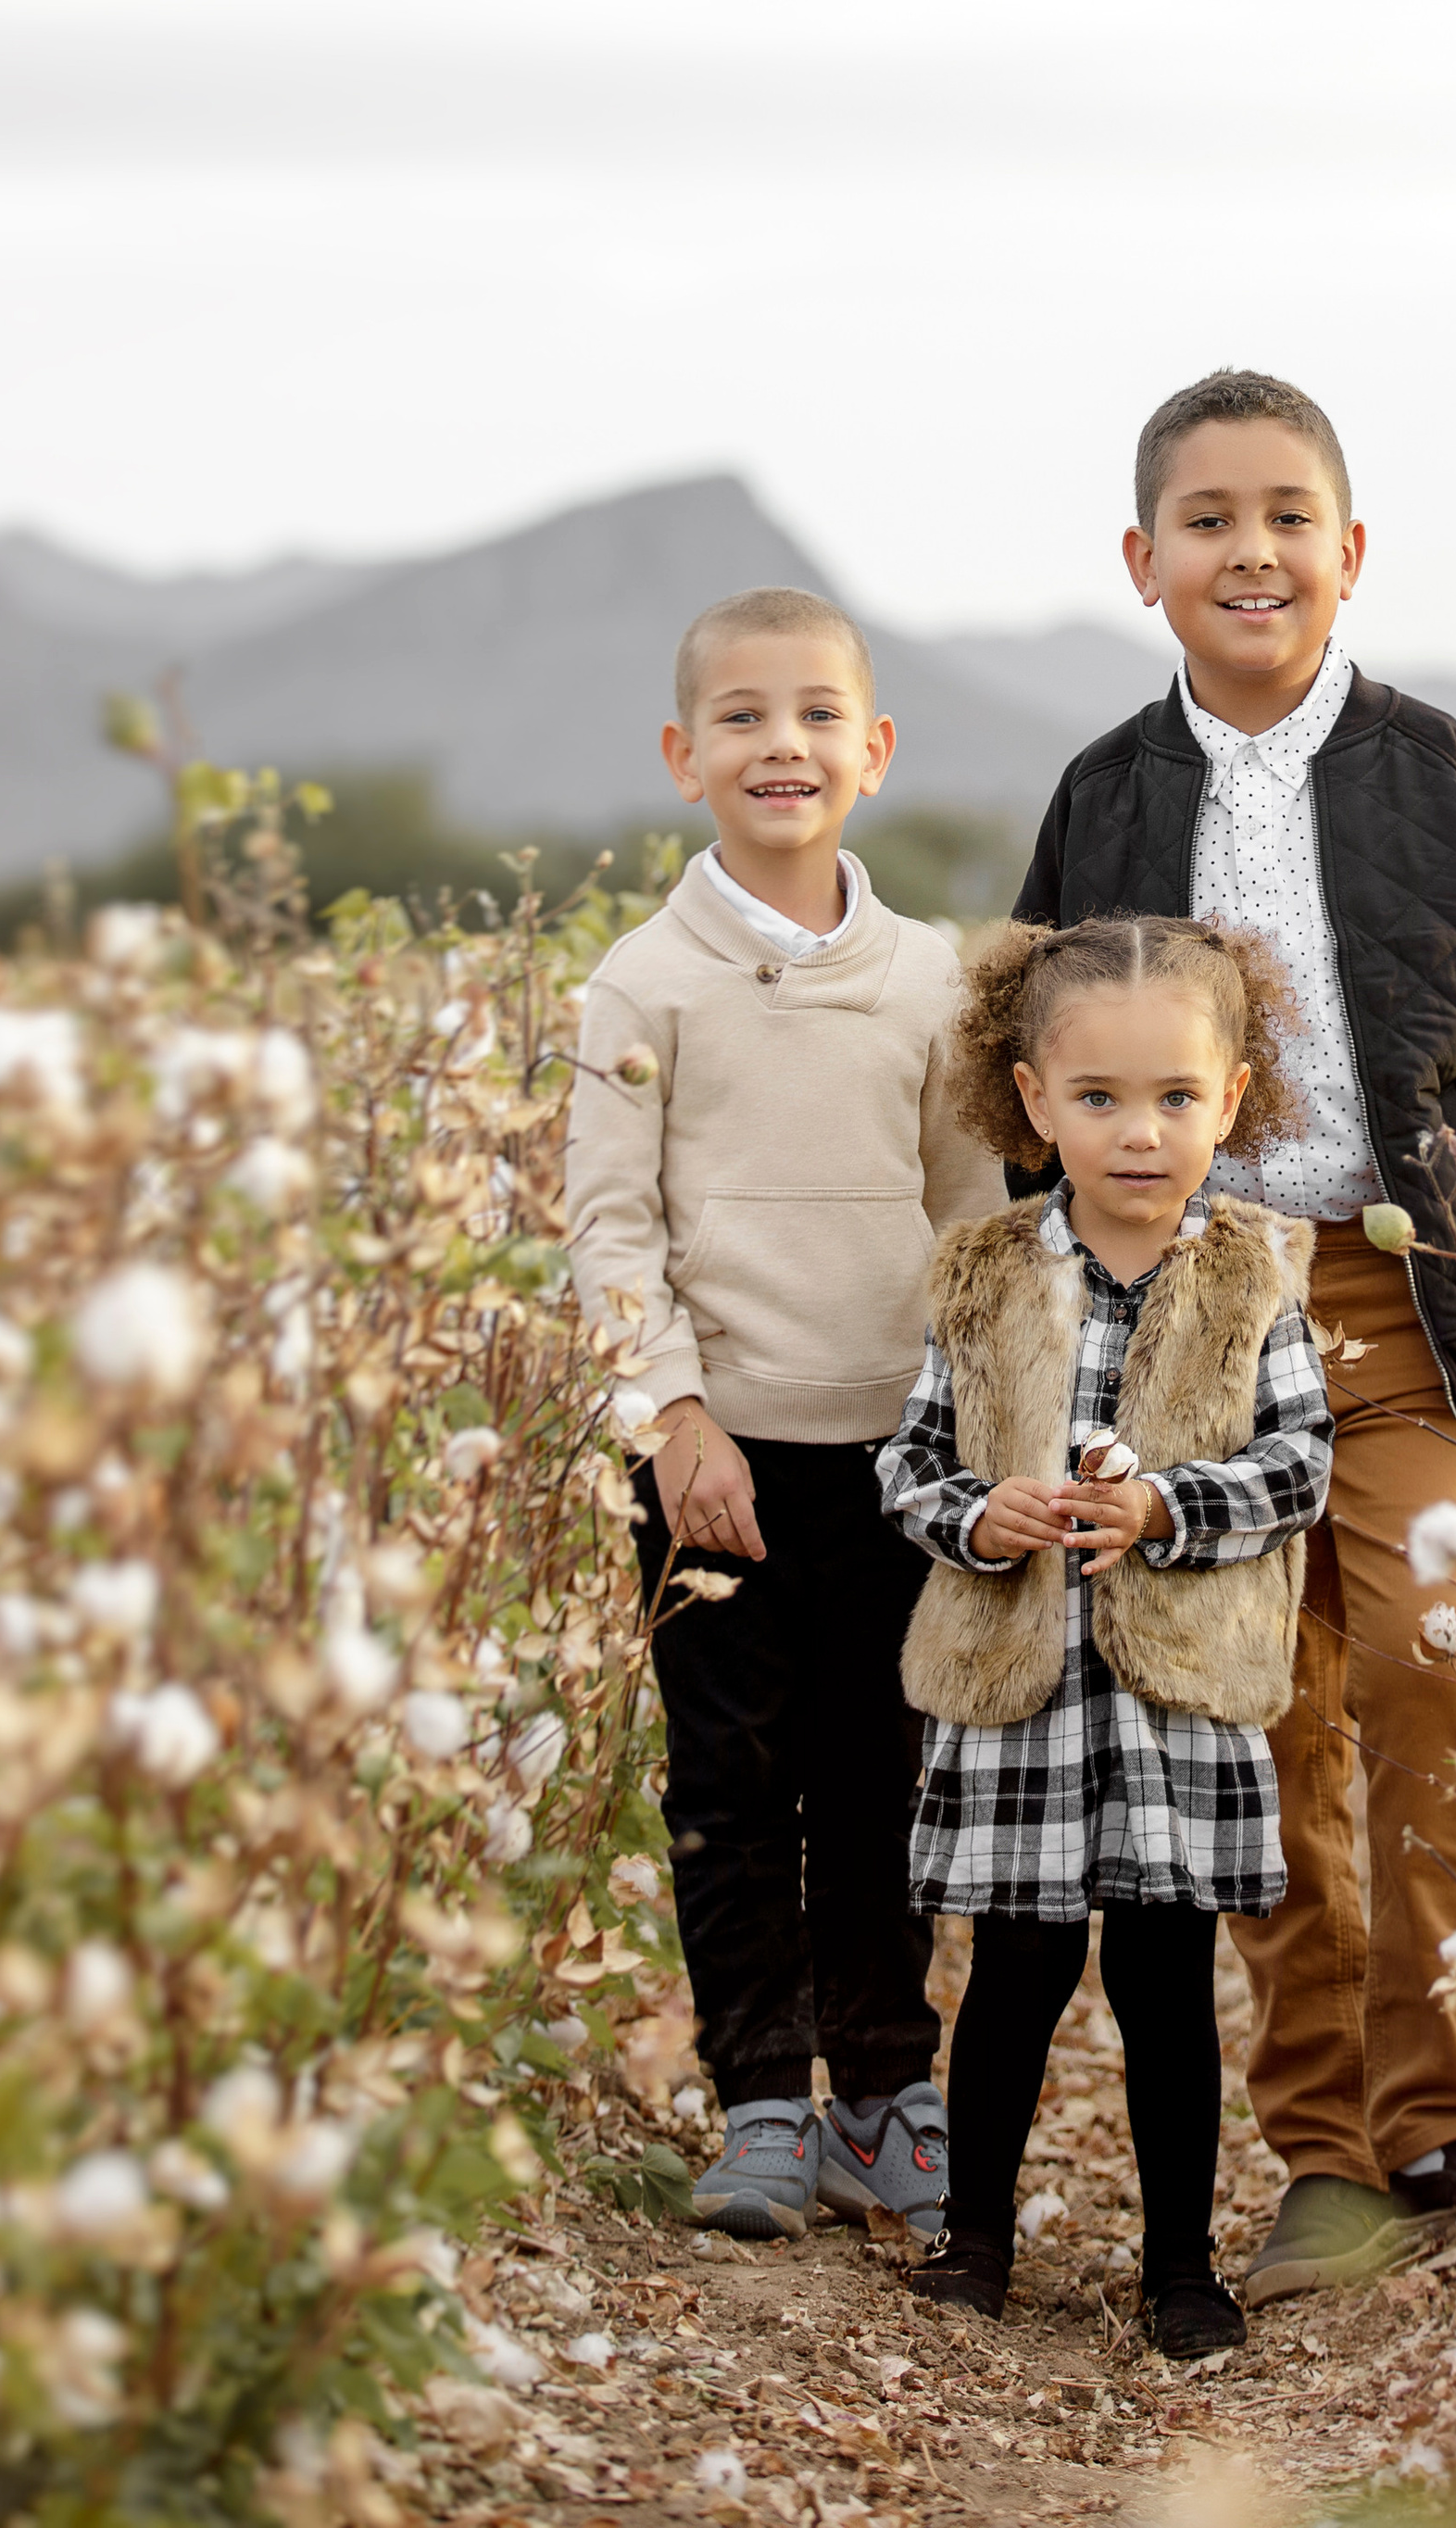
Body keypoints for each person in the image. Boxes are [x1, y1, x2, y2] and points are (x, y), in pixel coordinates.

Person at [1011, 369, 1456, 2304]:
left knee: (1434, 1672)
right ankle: (1326, 2157)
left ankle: (1443, 2105)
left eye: (1285, 515)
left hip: (1409, 1295)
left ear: (1346, 553)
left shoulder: (1431, 767)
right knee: (1256, 1717)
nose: (1247, 550)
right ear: (1142, 563)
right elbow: (1022, 1063)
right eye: (1205, 520)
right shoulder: (1104, 793)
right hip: (1196, 1315)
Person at [566, 585, 1003, 2247]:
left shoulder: (932, 982)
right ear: (685, 756)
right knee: (730, 1789)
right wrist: (673, 1417)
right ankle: (759, 2098)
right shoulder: (644, 982)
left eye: (818, 713)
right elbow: (610, 1227)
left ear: (873, 751)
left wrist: (969, 1431)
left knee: (882, 1780)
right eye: (742, 717)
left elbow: (971, 1222)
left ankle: (886, 2098)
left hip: (891, 1458)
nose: (783, 743)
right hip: (713, 1466)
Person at [878, 916, 1331, 2361]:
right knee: (1009, 1976)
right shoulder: (986, 1271)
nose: (1141, 1134)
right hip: (1020, 1694)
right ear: (1030, 1102)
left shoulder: (1256, 1274)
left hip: (1175, 1697)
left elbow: (1300, 1464)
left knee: (1161, 1980)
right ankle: (980, 2240)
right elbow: (908, 1465)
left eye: (1177, 1099)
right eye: (1098, 1099)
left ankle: (1182, 2267)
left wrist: (1171, 1508)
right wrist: (980, 1515)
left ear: (1235, 1099)